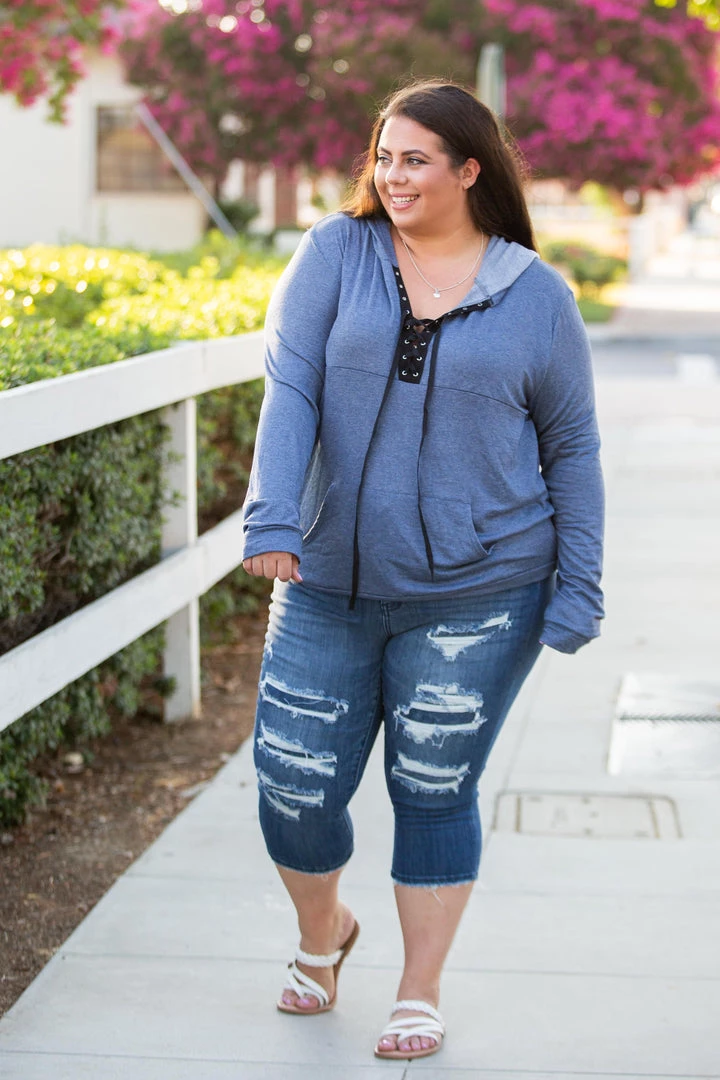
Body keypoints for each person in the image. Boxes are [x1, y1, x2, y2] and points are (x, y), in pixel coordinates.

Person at [241, 78, 604, 1061]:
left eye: (416, 159)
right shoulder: (335, 253)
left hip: (482, 591)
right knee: (293, 784)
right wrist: (274, 518)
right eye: (384, 157)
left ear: (470, 170)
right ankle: (325, 933)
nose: (393, 175)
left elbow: (572, 446)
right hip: (325, 584)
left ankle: (419, 988)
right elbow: (291, 387)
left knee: (434, 786)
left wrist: (580, 584)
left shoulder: (536, 295)